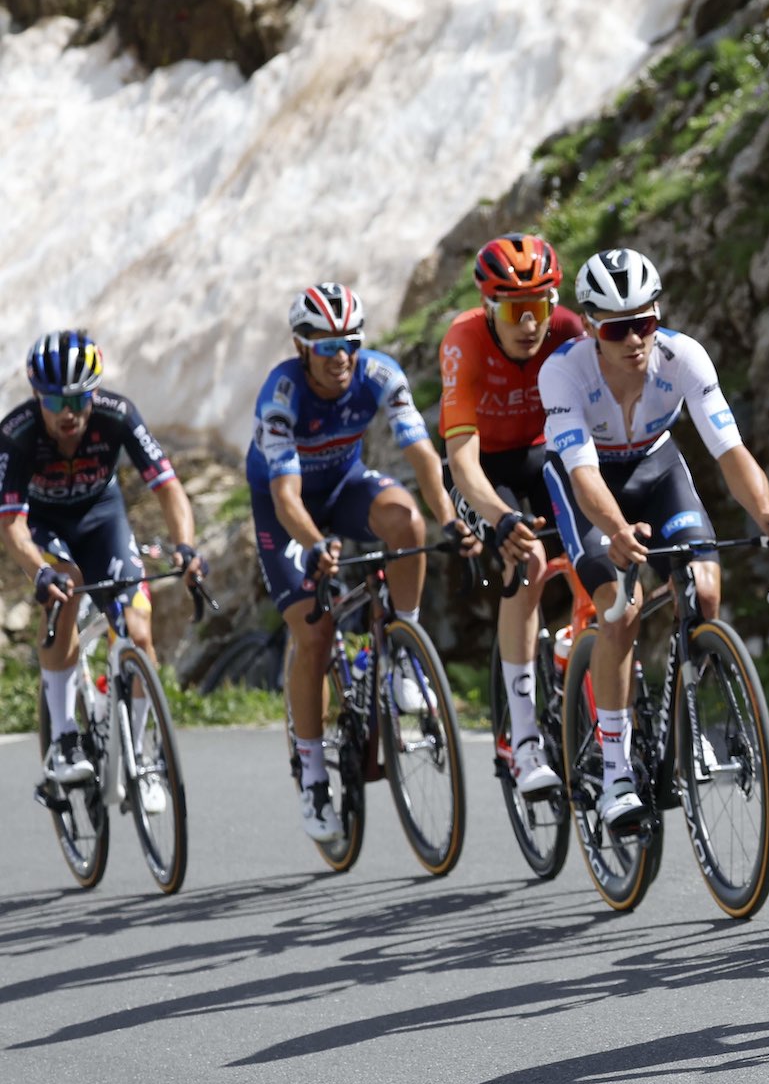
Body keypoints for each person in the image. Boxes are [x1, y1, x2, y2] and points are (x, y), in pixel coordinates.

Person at [540, 247, 769, 830]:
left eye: (646, 322)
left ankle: (683, 733)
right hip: (590, 485)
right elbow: (582, 474)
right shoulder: (563, 371)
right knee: (620, 609)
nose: (634, 339)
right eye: (617, 327)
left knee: (704, 592)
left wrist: (766, 513)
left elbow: (729, 450)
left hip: (657, 471)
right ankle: (615, 774)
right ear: (590, 327)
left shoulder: (683, 358)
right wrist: (614, 531)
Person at [248, 283, 478, 843]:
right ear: (302, 348)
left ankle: (404, 654)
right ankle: (311, 775)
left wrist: (451, 517)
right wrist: (318, 545)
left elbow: (422, 454)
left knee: (407, 523)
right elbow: (286, 498)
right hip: (287, 507)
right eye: (327, 347)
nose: (342, 356)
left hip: (344, 485)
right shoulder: (281, 393)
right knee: (315, 630)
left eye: (350, 342)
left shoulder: (378, 374)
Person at [2, 331, 204, 794]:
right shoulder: (17, 433)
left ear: (94, 391)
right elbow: (11, 523)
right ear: (37, 396)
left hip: (101, 518)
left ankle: (142, 753)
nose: (67, 412)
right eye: (54, 401)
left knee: (137, 628)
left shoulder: (118, 414)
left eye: (78, 398)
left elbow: (168, 487)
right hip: (45, 525)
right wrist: (39, 572)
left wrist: (186, 547)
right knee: (65, 587)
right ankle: (65, 738)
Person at [439, 233, 584, 796]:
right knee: (525, 565)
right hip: (484, 468)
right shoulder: (464, 342)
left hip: (544, 453)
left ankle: (584, 648)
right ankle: (523, 741)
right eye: (516, 311)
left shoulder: (569, 331)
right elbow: (463, 462)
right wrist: (500, 519)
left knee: (599, 549)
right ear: (489, 309)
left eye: (540, 308)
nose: (530, 324)